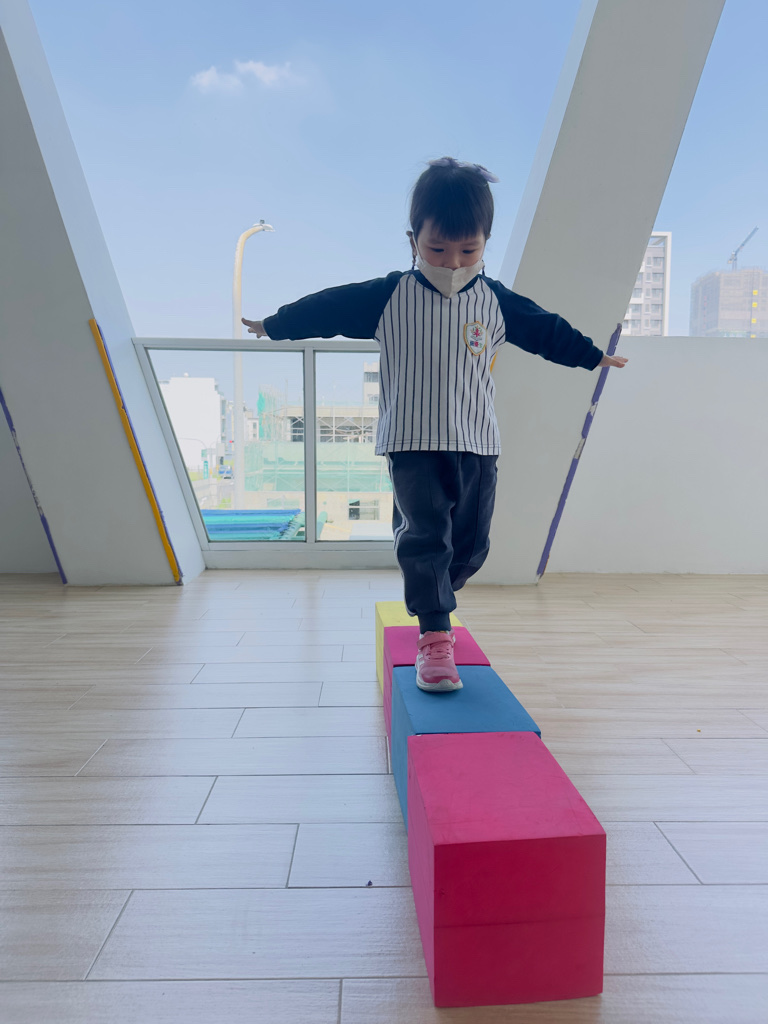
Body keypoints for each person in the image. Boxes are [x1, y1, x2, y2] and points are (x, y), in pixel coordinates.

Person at [243, 157, 628, 692]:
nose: (452, 262)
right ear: (414, 242)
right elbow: (329, 307)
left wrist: (591, 356)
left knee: (470, 546)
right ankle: (434, 633)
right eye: (438, 249)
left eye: (468, 250)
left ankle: (436, 592)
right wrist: (276, 324)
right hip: (412, 441)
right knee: (427, 539)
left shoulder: (495, 301)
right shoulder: (389, 296)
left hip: (476, 441)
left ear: (484, 243)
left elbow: (546, 330)